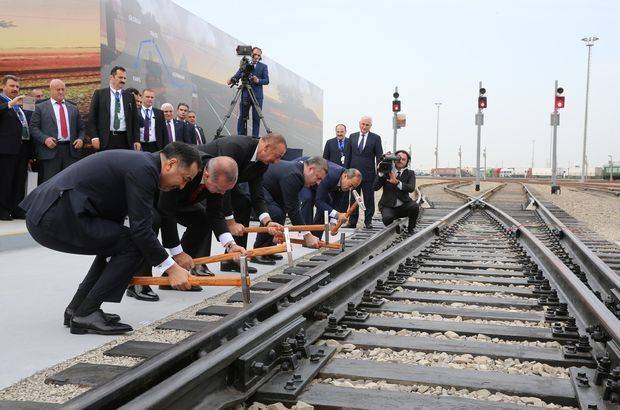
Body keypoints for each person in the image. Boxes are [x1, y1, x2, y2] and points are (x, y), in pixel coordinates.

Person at [19, 142, 202, 335]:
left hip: (53, 213)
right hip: (54, 216)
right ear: (171, 164)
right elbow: (141, 230)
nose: (182, 186)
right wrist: (171, 268)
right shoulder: (145, 169)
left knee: (119, 242)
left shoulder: (141, 164)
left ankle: (78, 308)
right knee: (134, 243)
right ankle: (87, 312)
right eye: (185, 179)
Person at [200, 133, 287, 272]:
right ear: (266, 147)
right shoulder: (236, 147)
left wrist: (267, 222)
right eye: (278, 156)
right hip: (205, 179)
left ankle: (233, 258)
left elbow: (257, 195)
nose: (277, 161)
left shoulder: (262, 164)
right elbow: (224, 186)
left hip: (226, 184)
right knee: (206, 213)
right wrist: (230, 222)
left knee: (243, 204)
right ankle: (200, 263)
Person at [157, 155, 246, 280]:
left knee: (202, 220)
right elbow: (167, 212)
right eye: (220, 189)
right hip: (155, 196)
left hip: (182, 201)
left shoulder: (217, 180)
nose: (222, 193)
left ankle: (176, 275)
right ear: (207, 175)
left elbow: (215, 213)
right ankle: (139, 283)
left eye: (226, 190)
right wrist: (177, 253)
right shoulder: (187, 168)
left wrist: (231, 245)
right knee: (151, 223)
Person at [253, 156, 327, 262]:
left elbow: (289, 205)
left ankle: (268, 249)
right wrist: (307, 235)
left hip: (269, 190)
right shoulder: (295, 175)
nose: (318, 183)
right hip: (256, 189)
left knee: (281, 212)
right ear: (311, 169)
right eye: (318, 178)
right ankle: (259, 251)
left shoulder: (298, 171)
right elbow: (293, 210)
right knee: (275, 213)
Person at [29, 79, 85, 183]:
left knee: (70, 183)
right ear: (51, 90)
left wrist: (80, 139)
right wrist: (45, 139)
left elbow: (81, 128)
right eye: (57, 89)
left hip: (71, 152)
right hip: (50, 152)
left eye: (63, 89)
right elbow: (33, 127)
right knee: (51, 185)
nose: (60, 92)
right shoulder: (40, 107)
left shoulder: (73, 107)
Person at [298, 159, 362, 239]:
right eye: (351, 185)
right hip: (304, 174)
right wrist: (338, 215)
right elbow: (318, 201)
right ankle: (306, 235)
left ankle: (315, 237)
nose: (350, 189)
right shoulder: (332, 175)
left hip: (316, 184)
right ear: (345, 176)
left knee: (327, 204)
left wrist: (333, 224)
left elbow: (336, 204)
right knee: (308, 198)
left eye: (353, 187)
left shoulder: (345, 184)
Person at [87, 66, 140, 151]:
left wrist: (137, 140)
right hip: (106, 139)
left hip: (125, 140)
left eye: (125, 78)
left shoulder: (129, 97)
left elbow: (135, 120)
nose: (123, 80)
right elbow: (92, 118)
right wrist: (94, 137)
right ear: (111, 77)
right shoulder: (99, 94)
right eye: (120, 77)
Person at [0, 75, 31, 220]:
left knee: (19, 180)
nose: (15, 89)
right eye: (12, 86)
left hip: (22, 147)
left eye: (17, 87)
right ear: (3, 86)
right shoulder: (5, 102)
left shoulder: (20, 104)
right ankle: (3, 210)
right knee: (5, 180)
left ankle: (17, 209)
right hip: (6, 149)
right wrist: (9, 105)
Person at [345, 116, 383, 229]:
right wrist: (346, 172)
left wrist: (379, 173)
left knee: (369, 199)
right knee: (353, 199)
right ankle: (352, 222)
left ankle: (368, 221)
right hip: (353, 175)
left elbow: (379, 156)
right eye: (363, 124)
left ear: (370, 126)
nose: (364, 127)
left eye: (367, 125)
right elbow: (348, 155)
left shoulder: (376, 138)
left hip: (368, 175)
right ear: (359, 124)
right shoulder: (352, 136)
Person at [373, 150, 419, 234]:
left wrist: (397, 183)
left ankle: (411, 229)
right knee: (387, 218)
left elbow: (411, 188)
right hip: (388, 205)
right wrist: (380, 173)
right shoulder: (386, 170)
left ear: (407, 162)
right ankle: (395, 228)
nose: (400, 160)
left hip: (404, 205)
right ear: (394, 159)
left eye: (403, 159)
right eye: (398, 158)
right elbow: (375, 188)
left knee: (415, 207)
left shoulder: (410, 173)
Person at [227, 47, 269, 137]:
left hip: (257, 96)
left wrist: (258, 80)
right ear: (251, 54)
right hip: (246, 94)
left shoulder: (263, 66)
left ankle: (255, 137)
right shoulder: (245, 64)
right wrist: (231, 79)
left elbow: (267, 80)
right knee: (242, 116)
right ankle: (240, 136)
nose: (257, 56)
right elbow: (238, 75)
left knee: (256, 118)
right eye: (255, 54)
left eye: (259, 55)